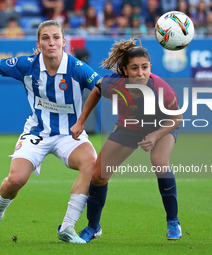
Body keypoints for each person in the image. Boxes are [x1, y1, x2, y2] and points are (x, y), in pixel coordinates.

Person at [0, 20, 101, 244]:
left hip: (69, 134)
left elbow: (101, 85)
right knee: (15, 180)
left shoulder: (77, 68)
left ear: (64, 41)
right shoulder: (27, 65)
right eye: (45, 38)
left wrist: (125, 94)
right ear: (38, 43)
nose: (51, 42)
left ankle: (68, 227)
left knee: (91, 165)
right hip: (38, 131)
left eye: (55, 38)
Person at [70, 38, 183, 242]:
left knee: (159, 162)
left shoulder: (162, 89)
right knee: (98, 175)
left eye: (145, 67)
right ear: (124, 70)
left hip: (162, 127)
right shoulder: (114, 83)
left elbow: (177, 118)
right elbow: (96, 90)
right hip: (129, 127)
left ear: (150, 67)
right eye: (134, 68)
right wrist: (81, 121)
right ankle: (93, 227)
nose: (140, 73)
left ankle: (173, 221)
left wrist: (155, 136)